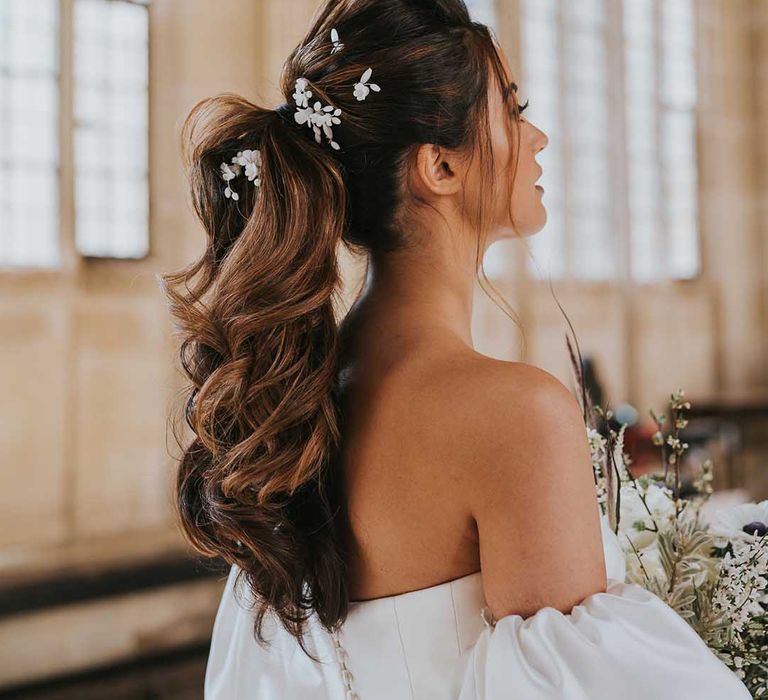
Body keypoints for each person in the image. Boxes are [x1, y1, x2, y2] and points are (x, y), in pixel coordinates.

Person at [160, 0, 753, 697]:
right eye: (512, 108)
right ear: (438, 166)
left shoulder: (293, 409)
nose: (538, 138)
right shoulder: (512, 415)